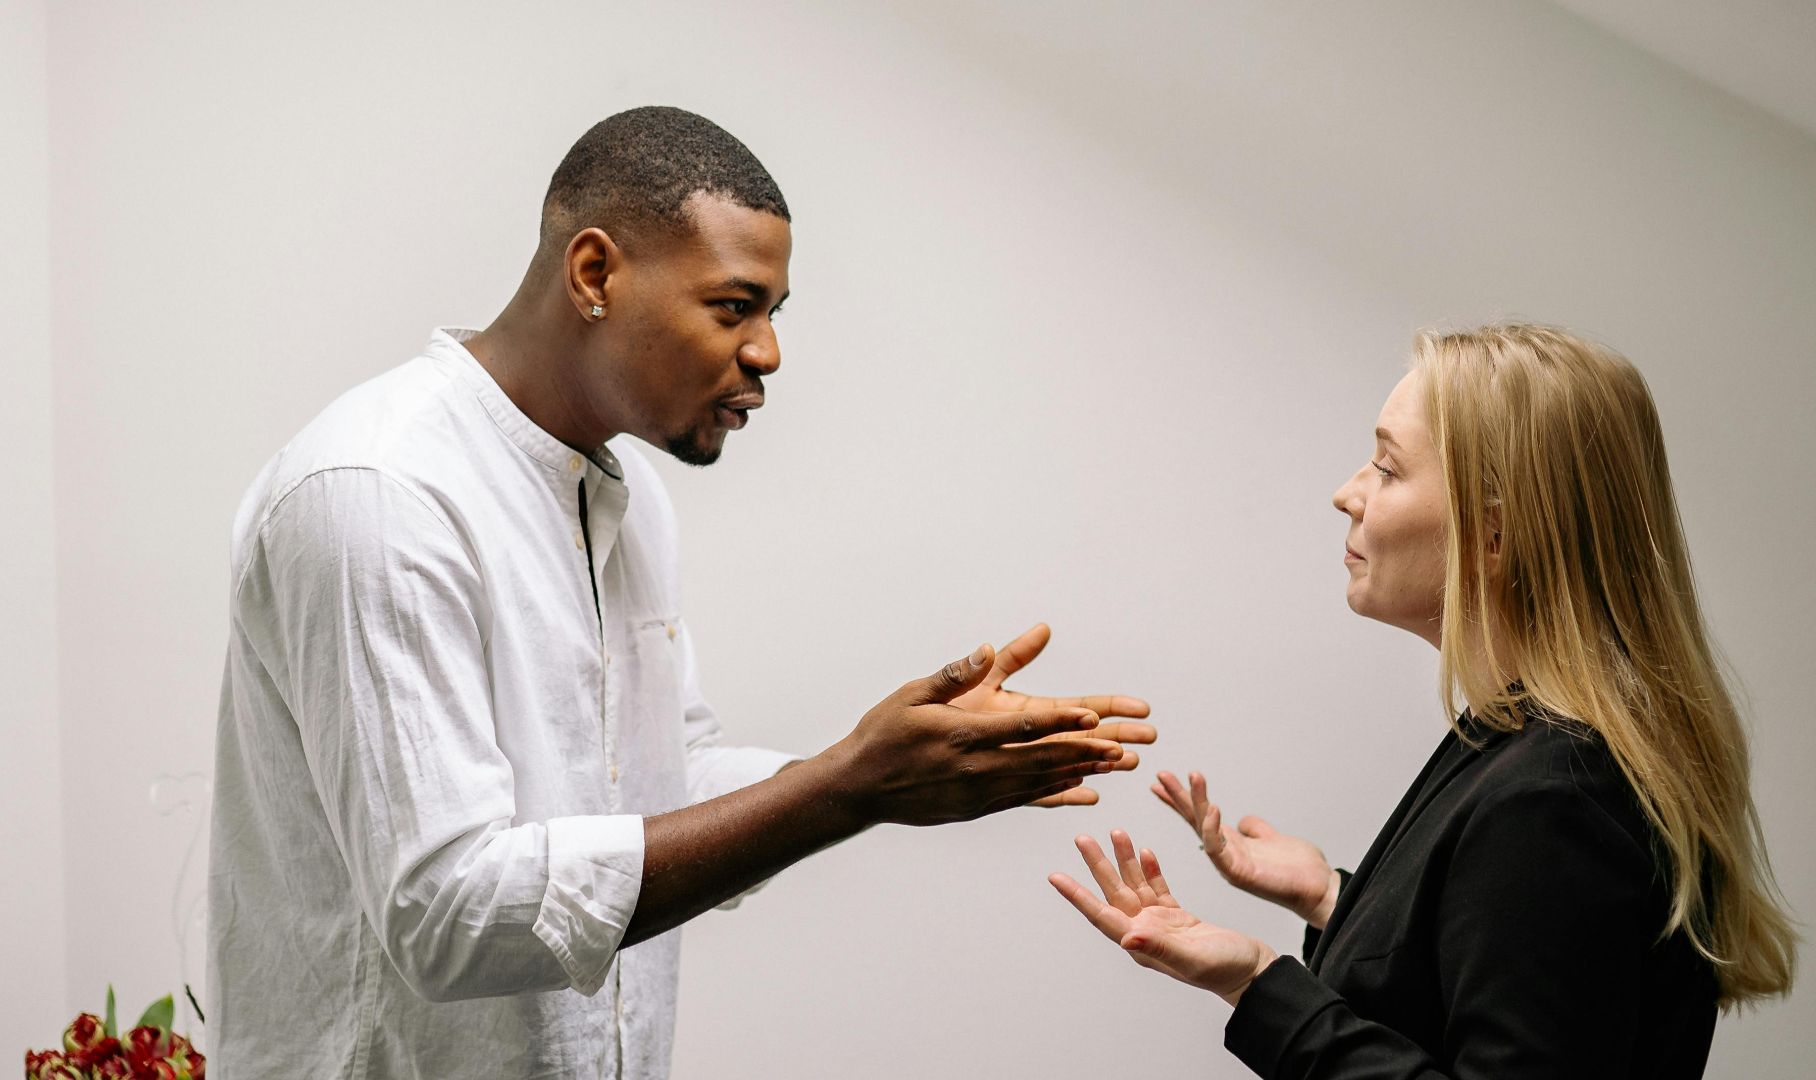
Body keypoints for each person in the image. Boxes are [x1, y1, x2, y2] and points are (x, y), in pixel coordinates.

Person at [207, 106, 1155, 1079]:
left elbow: (665, 777)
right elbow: (449, 915)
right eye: (734, 306)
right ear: (594, 274)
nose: (768, 353)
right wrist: (846, 786)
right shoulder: (380, 491)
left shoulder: (630, 498)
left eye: (773, 313)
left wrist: (890, 766)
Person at [1050, 324, 1798, 1078]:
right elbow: (1473, 990)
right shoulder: (1524, 747)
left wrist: (1257, 984)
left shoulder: (1555, 798)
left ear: (1494, 535)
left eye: (1387, 467)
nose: (1347, 493)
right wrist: (1334, 899)